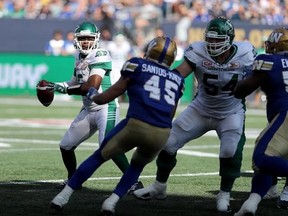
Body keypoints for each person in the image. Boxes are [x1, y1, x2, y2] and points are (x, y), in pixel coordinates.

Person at [133, 16, 257, 213]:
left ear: (230, 38)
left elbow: (258, 77)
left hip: (230, 111)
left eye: (218, 39)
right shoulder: (198, 50)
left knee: (229, 151)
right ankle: (159, 186)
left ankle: (224, 194)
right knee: (168, 143)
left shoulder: (246, 53)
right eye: (210, 38)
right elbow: (178, 75)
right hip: (200, 108)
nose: (213, 43)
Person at [50, 36, 185, 215]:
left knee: (100, 155)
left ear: (150, 50)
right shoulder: (178, 79)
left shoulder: (137, 64)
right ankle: (111, 202)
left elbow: (112, 93)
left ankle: (64, 196)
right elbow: (171, 112)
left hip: (137, 123)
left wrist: (94, 95)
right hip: (161, 132)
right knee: (136, 166)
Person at [39, 21, 139, 191]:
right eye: (82, 38)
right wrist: (52, 85)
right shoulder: (78, 56)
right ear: (77, 39)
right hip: (88, 108)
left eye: (88, 38)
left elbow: (90, 86)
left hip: (106, 106)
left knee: (108, 144)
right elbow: (73, 82)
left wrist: (57, 88)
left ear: (96, 39)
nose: (85, 41)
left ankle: (133, 182)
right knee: (66, 146)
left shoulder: (100, 54)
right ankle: (73, 180)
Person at [233, 27, 288, 215]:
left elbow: (244, 89)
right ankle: (252, 202)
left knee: (262, 158)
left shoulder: (269, 60)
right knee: (278, 154)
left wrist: (235, 84)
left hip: (286, 114)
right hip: (281, 116)